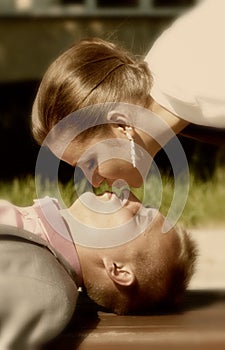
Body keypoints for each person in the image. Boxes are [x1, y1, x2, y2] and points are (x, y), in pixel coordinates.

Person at [31, 0, 225, 191]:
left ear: (121, 124)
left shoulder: (203, 78)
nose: (95, 182)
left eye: (90, 163)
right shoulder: (181, 96)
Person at [0, 190, 197, 349]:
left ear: (118, 270)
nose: (128, 194)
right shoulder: (36, 238)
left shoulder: (43, 289)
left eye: (137, 216)